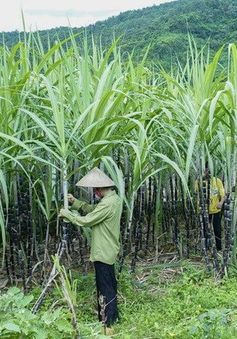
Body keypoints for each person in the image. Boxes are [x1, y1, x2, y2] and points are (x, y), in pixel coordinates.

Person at [59, 167, 123, 329]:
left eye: (95, 190)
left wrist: (69, 215)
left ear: (101, 189)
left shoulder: (107, 203)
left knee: (105, 287)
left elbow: (87, 220)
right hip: (108, 249)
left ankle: (107, 322)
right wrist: (76, 203)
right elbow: (94, 211)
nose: (95, 192)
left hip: (103, 250)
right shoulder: (113, 199)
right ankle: (113, 317)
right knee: (109, 284)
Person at [205, 167, 225, 251]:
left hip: (215, 210)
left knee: (217, 229)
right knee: (205, 230)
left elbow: (223, 195)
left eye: (209, 170)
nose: (207, 172)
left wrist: (220, 203)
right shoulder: (198, 182)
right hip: (204, 211)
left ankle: (219, 248)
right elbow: (197, 195)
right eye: (206, 170)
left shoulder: (217, 181)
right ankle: (206, 248)